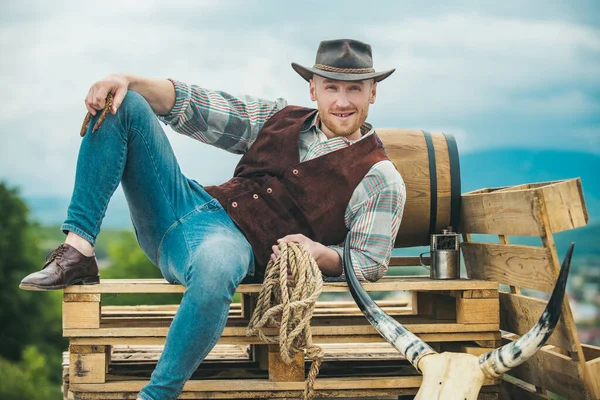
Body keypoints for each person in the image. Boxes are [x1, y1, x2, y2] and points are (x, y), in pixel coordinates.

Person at [19, 39, 405, 400]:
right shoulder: (278, 117)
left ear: (373, 92)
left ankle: (155, 395)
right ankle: (78, 250)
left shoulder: (379, 178)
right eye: (331, 87)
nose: (342, 101)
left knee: (218, 264)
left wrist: (320, 253)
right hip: (185, 203)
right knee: (126, 102)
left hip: (229, 249)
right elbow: (200, 106)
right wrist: (125, 79)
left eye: (354, 89)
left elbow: (369, 263)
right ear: (313, 89)